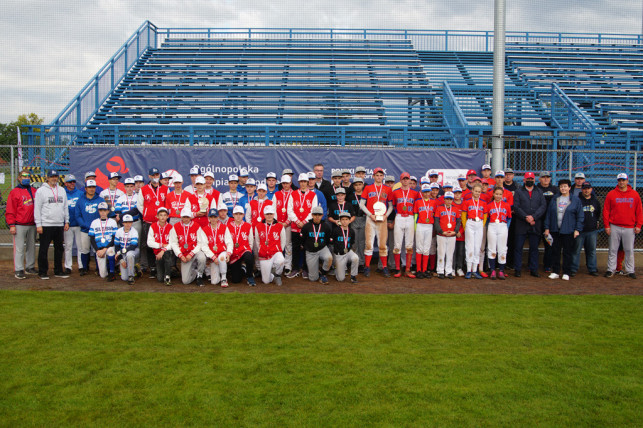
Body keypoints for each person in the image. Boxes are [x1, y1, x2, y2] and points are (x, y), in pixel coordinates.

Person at [603, 173, 642, 279]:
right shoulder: (611, 194)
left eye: (623, 180)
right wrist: (607, 225)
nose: (621, 182)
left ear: (627, 181)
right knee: (613, 249)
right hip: (614, 225)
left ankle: (630, 270)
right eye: (620, 180)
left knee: (629, 249)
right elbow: (606, 210)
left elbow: (639, 211)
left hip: (629, 226)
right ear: (617, 181)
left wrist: (639, 224)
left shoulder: (634, 194)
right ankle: (611, 269)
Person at [544, 179, 584, 281]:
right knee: (555, 251)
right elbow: (548, 214)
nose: (563, 188)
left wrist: (577, 229)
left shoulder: (575, 200)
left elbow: (580, 216)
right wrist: (547, 227)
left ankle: (566, 272)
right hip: (555, 230)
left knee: (567, 252)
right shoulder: (555, 199)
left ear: (569, 188)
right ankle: (555, 271)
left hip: (569, 230)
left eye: (565, 186)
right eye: (561, 186)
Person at [35, 169, 69, 280]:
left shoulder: (62, 190)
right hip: (46, 224)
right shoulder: (41, 191)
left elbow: (65, 207)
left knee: (59, 248)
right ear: (47, 178)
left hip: (59, 224)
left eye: (56, 176)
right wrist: (38, 224)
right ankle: (42, 271)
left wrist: (66, 221)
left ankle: (58, 270)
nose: (54, 179)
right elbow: (37, 209)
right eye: (52, 177)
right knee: (44, 248)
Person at [359, 167, 393, 277]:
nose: (379, 177)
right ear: (373, 176)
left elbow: (391, 206)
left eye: (380, 175)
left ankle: (384, 267)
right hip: (371, 218)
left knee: (382, 245)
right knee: (368, 244)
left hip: (382, 219)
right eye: (376, 175)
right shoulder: (368, 188)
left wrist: (385, 216)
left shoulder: (387, 189)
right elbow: (361, 204)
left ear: (383, 176)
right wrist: (370, 215)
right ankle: (367, 267)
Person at [512, 172, 546, 277]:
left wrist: (534, 217)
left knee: (534, 248)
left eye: (532, 178)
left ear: (534, 180)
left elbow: (543, 206)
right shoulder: (518, 192)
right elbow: (516, 207)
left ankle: (533, 269)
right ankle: (517, 269)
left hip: (535, 223)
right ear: (524, 180)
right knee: (518, 247)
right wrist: (526, 217)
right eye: (528, 178)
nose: (530, 180)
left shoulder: (539, 192)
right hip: (521, 223)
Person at [137, 167, 168, 278]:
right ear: (149, 176)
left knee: (163, 243)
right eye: (153, 175)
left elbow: (167, 204)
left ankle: (164, 266)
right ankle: (153, 267)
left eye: (157, 175)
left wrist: (163, 217)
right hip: (149, 221)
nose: (155, 177)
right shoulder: (144, 189)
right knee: (149, 244)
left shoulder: (165, 188)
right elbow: (139, 205)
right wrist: (146, 213)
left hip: (162, 222)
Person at [6, 169, 37, 279]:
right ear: (19, 178)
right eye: (24, 176)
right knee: (19, 248)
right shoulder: (15, 192)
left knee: (31, 247)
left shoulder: (34, 191)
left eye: (28, 176)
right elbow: (10, 209)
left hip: (32, 224)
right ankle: (18, 269)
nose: (26, 178)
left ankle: (30, 267)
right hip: (19, 224)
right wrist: (12, 224)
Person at [286, 173, 318, 278]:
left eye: (305, 181)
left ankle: (305, 269)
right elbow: (289, 210)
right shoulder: (293, 194)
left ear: (308, 182)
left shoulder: (313, 195)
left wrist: (304, 222)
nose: (303, 183)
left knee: (306, 248)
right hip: (295, 226)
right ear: (299, 182)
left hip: (307, 227)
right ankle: (295, 268)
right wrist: (296, 221)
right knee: (295, 248)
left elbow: (314, 210)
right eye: (301, 182)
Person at [75, 180, 105, 276]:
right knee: (85, 249)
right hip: (85, 229)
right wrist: (84, 225)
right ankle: (84, 268)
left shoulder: (100, 200)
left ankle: (97, 268)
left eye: (93, 187)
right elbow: (77, 215)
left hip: (97, 230)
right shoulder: (80, 200)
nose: (92, 189)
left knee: (97, 249)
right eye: (90, 187)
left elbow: (105, 213)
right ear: (86, 188)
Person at [170, 206, 206, 286]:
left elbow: (200, 243)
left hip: (195, 252)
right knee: (185, 281)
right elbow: (174, 243)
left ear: (190, 217)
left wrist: (192, 253)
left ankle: (200, 276)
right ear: (181, 217)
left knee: (202, 257)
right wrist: (180, 255)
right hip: (184, 254)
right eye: (184, 217)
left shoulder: (196, 226)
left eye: (187, 217)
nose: (186, 219)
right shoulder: (176, 226)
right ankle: (195, 271)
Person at [391, 172, 418, 278]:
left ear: (409, 180)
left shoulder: (415, 193)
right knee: (397, 244)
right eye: (404, 179)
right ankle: (398, 269)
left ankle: (408, 269)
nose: (406, 180)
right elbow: (393, 205)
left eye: (407, 179)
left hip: (410, 218)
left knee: (409, 245)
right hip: (399, 217)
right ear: (401, 180)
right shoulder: (395, 192)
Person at [571, 182, 601, 277]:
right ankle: (573, 269)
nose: (586, 190)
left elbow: (597, 213)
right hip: (580, 230)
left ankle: (592, 269)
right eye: (584, 188)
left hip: (591, 230)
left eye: (588, 188)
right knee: (576, 250)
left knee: (591, 251)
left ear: (591, 189)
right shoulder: (577, 200)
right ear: (582, 189)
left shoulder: (595, 201)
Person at [198, 208, 233, 287]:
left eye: (215, 217)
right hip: (212, 256)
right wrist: (213, 257)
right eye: (211, 217)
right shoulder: (205, 229)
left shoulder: (224, 227)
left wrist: (229, 253)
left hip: (221, 252)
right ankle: (218, 274)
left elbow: (229, 242)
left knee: (222, 257)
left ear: (218, 218)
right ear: (209, 218)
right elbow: (204, 246)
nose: (213, 219)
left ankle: (224, 278)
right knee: (214, 282)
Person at [300, 206, 333, 284]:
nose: (317, 217)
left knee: (329, 257)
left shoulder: (326, 226)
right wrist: (307, 247)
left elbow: (328, 239)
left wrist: (323, 246)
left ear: (322, 215)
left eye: (319, 215)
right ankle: (317, 271)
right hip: (311, 252)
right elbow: (302, 239)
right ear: (312, 215)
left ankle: (323, 273)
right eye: (315, 215)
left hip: (322, 248)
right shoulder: (306, 226)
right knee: (313, 279)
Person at [254, 205, 286, 285]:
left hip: (275, 252)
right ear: (264, 215)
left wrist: (279, 250)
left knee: (281, 260)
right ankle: (272, 274)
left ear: (274, 214)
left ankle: (277, 274)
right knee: (266, 281)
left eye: (271, 214)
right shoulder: (258, 226)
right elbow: (257, 241)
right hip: (264, 254)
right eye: (267, 214)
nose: (269, 216)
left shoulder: (280, 226)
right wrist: (261, 249)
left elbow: (283, 241)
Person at [484, 187, 512, 280]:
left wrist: (506, 227)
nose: (498, 196)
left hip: (502, 225)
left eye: (500, 194)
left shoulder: (506, 205)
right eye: (496, 194)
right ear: (493, 194)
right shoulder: (489, 205)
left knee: (502, 249)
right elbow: (487, 218)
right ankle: (492, 270)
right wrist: (489, 226)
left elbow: (509, 217)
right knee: (492, 248)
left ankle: (501, 270)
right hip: (492, 225)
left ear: (502, 195)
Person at [461, 183, 487, 279]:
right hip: (470, 223)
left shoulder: (483, 202)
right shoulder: (467, 201)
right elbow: (463, 215)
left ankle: (475, 270)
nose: (477, 193)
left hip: (479, 224)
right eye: (475, 191)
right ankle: (468, 270)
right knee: (469, 247)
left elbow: (485, 215)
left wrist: (482, 224)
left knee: (477, 248)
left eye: (479, 192)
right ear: (472, 191)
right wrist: (465, 226)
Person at [88, 202, 118, 281]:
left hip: (109, 246)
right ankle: (109, 265)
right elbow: (91, 238)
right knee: (103, 275)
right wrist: (97, 250)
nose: (103, 212)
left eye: (104, 210)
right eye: (101, 210)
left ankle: (112, 273)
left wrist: (105, 249)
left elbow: (114, 238)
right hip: (99, 248)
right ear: (98, 211)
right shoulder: (94, 222)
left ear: (108, 211)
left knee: (111, 252)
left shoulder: (112, 222)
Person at [434, 192, 461, 279]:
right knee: (441, 253)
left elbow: (458, 222)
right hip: (441, 234)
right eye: (447, 199)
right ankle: (440, 271)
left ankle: (448, 271)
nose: (448, 201)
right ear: (444, 199)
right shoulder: (439, 208)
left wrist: (455, 231)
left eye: (450, 199)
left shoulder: (455, 209)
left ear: (452, 200)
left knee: (450, 254)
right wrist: (441, 231)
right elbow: (436, 221)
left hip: (452, 235)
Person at [228, 205, 256, 286]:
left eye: (240, 214)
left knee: (249, 257)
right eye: (236, 214)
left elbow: (250, 241)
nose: (238, 216)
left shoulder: (248, 226)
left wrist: (248, 251)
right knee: (236, 280)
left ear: (243, 215)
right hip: (233, 253)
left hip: (244, 250)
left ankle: (250, 276)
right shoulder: (228, 226)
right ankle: (243, 269)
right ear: (233, 215)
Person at [146, 207, 175, 286]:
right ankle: (169, 271)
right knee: (159, 279)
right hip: (157, 254)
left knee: (167, 254)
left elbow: (172, 243)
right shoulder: (153, 226)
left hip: (166, 252)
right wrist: (161, 245)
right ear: (157, 216)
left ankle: (168, 276)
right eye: (161, 215)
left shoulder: (170, 227)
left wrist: (163, 250)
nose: (162, 217)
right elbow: (149, 242)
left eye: (164, 215)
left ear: (167, 217)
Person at [536, 171, 557, 273]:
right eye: (543, 177)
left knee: (549, 244)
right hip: (538, 220)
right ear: (539, 179)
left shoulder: (554, 189)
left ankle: (548, 265)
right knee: (535, 244)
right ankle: (533, 265)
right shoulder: (536, 189)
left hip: (550, 220)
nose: (545, 179)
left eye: (547, 177)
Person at [330, 211, 359, 283]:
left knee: (355, 258)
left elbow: (352, 242)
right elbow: (332, 242)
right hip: (339, 254)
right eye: (342, 219)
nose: (345, 221)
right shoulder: (336, 230)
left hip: (348, 252)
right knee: (340, 279)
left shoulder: (351, 231)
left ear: (349, 221)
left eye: (346, 219)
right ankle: (337, 269)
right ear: (339, 220)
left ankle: (353, 276)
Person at [273, 175, 294, 275]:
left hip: (288, 224)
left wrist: (286, 222)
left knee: (288, 244)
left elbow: (293, 210)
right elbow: (273, 210)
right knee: (277, 244)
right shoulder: (276, 194)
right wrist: (278, 222)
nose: (285, 185)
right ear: (281, 184)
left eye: (287, 183)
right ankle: (277, 265)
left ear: (290, 183)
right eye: (284, 183)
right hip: (277, 224)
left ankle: (287, 265)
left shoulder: (294, 194)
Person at [413, 184, 435, 278]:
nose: (426, 194)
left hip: (429, 226)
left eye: (428, 192)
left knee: (426, 248)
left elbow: (434, 215)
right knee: (419, 248)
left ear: (430, 192)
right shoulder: (418, 202)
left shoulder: (433, 202)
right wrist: (415, 228)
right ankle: (418, 269)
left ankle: (424, 269)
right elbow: (415, 216)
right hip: (420, 225)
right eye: (424, 192)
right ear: (422, 192)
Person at [114, 214, 139, 285]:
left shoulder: (134, 231)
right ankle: (135, 268)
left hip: (134, 251)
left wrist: (120, 252)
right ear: (123, 223)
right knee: (124, 278)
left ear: (132, 223)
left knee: (129, 255)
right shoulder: (119, 231)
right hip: (123, 253)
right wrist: (121, 260)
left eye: (130, 222)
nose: (128, 224)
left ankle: (131, 276)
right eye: (126, 222)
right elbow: (116, 246)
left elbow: (133, 246)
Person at [351, 177, 366, 271]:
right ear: (353, 186)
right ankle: (354, 262)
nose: (358, 187)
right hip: (354, 219)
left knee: (362, 242)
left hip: (364, 218)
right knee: (354, 242)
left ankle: (361, 263)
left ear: (363, 185)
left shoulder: (366, 195)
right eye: (356, 185)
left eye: (360, 184)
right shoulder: (350, 196)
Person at [452, 187, 466, 276]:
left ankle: (459, 268)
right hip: (453, 232)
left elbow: (465, 219)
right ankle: (452, 268)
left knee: (461, 252)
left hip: (462, 233)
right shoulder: (451, 204)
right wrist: (455, 231)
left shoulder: (464, 204)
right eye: (455, 193)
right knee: (452, 251)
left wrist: (461, 230)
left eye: (459, 193)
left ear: (461, 194)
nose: (457, 195)